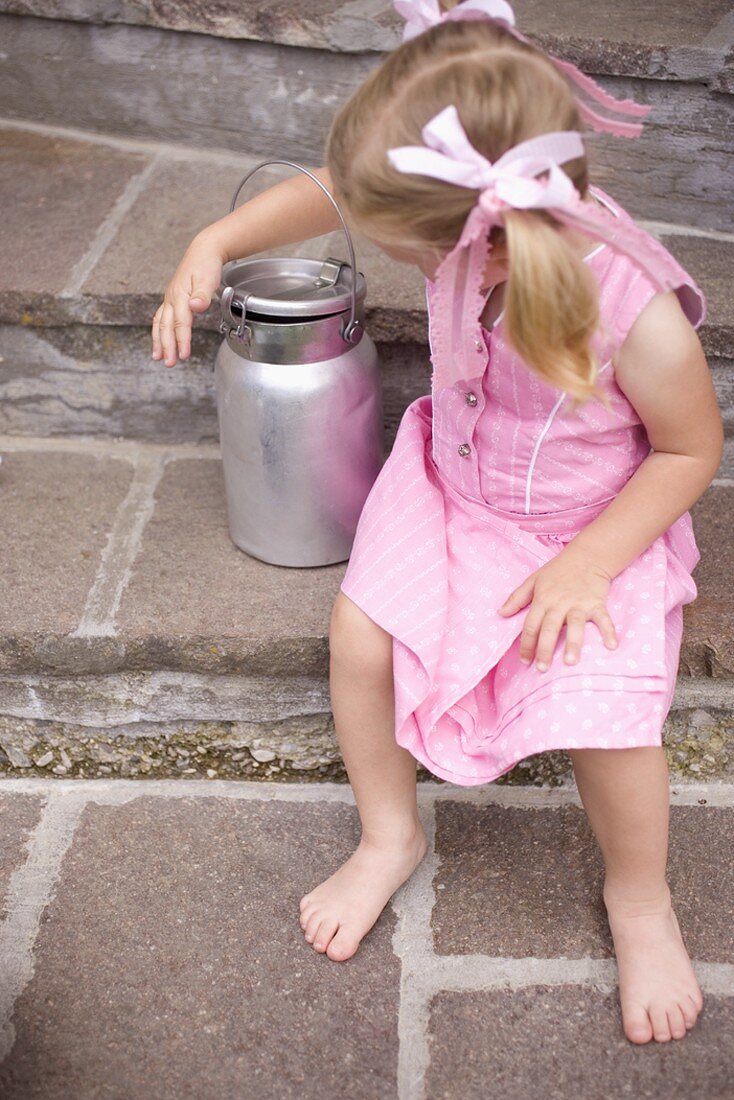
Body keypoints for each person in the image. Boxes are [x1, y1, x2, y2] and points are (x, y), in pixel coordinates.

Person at [151, 0, 724, 1047]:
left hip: (588, 525)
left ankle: (638, 895)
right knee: (358, 636)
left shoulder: (627, 307)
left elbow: (688, 451)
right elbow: (336, 188)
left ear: (486, 243)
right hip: (454, 485)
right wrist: (215, 235)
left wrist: (589, 564)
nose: (366, 239)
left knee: (605, 708)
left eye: (387, 239)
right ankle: (387, 833)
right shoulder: (466, 222)